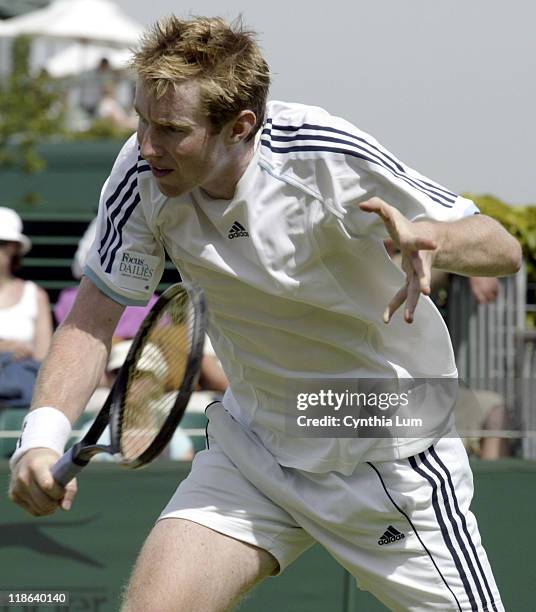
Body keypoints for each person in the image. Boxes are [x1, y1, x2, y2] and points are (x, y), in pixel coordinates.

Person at [8, 16, 522, 612]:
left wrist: (434, 237)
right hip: (253, 451)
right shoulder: (142, 172)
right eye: (143, 120)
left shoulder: (324, 156)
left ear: (239, 125)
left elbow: (501, 247)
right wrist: (40, 441)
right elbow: (92, 318)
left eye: (170, 129)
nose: (147, 145)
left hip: (385, 454)